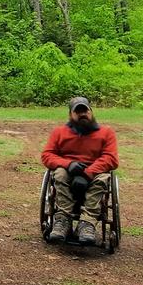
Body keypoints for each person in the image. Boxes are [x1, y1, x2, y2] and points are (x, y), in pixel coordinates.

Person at [40, 96, 119, 245]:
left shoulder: (106, 133)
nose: (83, 114)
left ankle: (87, 223)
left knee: (102, 178)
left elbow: (111, 158)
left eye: (85, 110)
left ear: (91, 111)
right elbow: (47, 155)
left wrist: (88, 173)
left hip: (95, 171)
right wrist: (68, 164)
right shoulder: (59, 132)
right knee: (59, 174)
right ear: (71, 114)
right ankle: (63, 220)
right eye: (78, 111)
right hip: (68, 170)